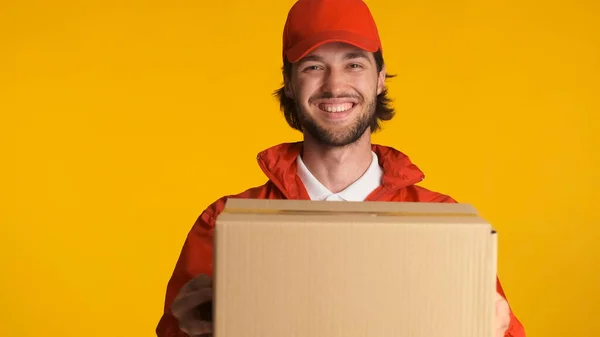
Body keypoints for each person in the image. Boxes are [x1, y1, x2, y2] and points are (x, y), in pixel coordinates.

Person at [156, 0, 526, 336]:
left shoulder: (441, 221)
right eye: (314, 66)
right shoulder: (225, 223)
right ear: (288, 83)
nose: (335, 86)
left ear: (380, 78)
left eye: (354, 64)